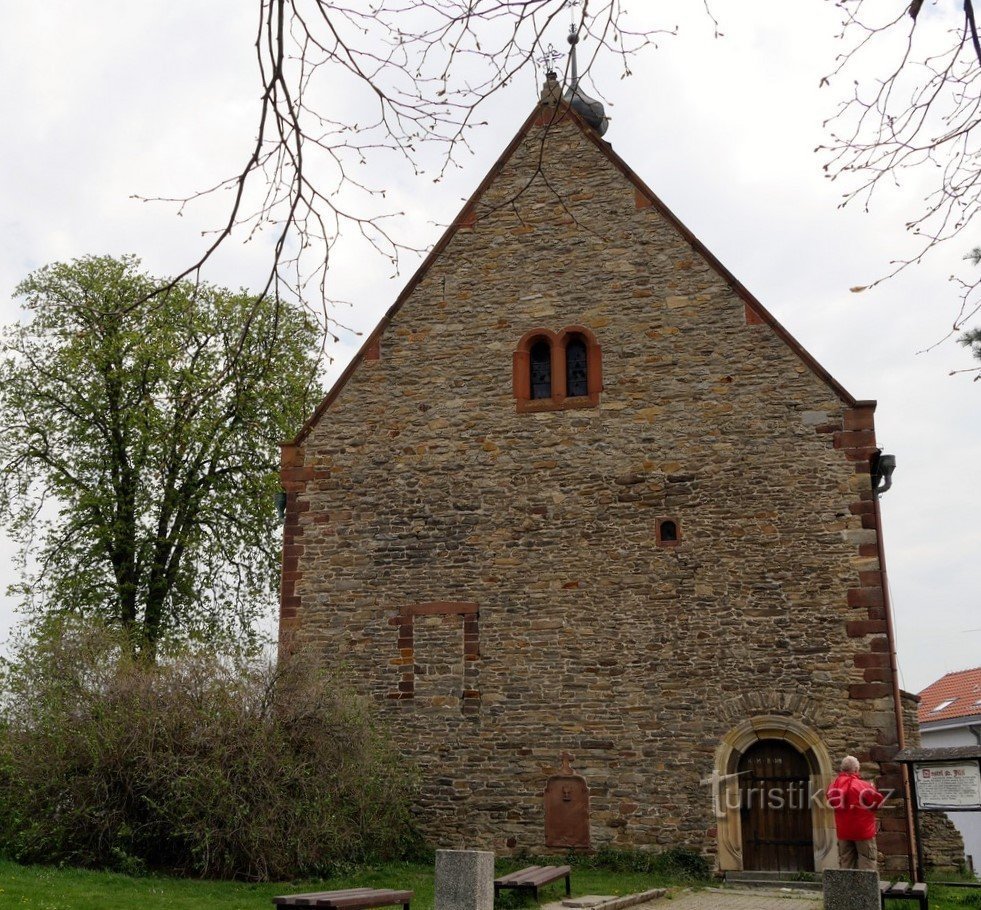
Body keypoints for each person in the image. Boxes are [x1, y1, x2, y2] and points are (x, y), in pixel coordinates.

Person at [827, 755, 886, 870]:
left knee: (846, 862)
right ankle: (866, 888)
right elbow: (878, 803)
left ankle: (848, 888)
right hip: (863, 831)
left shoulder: (833, 787)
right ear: (856, 769)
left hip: (843, 831)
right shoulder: (862, 786)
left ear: (842, 769)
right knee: (867, 862)